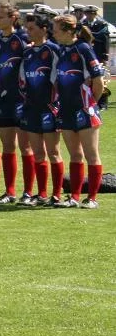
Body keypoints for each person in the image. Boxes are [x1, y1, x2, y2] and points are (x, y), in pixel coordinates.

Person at [51, 15, 105, 208]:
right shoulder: (61, 50)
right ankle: (74, 197)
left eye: (56, 29)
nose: (53, 32)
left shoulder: (83, 49)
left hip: (84, 110)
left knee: (91, 154)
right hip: (66, 110)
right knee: (74, 154)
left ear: (67, 30)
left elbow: (98, 81)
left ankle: (91, 199)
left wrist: (91, 104)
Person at [18, 11, 62, 206]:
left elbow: (59, 82)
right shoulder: (26, 53)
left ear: (44, 29)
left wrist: (55, 104)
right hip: (31, 107)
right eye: (27, 28)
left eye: (32, 28)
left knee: (53, 152)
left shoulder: (53, 50)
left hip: (49, 108)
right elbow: (21, 80)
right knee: (37, 153)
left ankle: (57, 195)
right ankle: (42, 194)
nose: (28, 32)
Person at [0, 4, 25, 204]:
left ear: (13, 17)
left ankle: (31, 193)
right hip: (3, 99)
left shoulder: (23, 39)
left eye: (1, 16)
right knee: (8, 146)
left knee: (27, 148)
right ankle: (9, 192)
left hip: (23, 100)